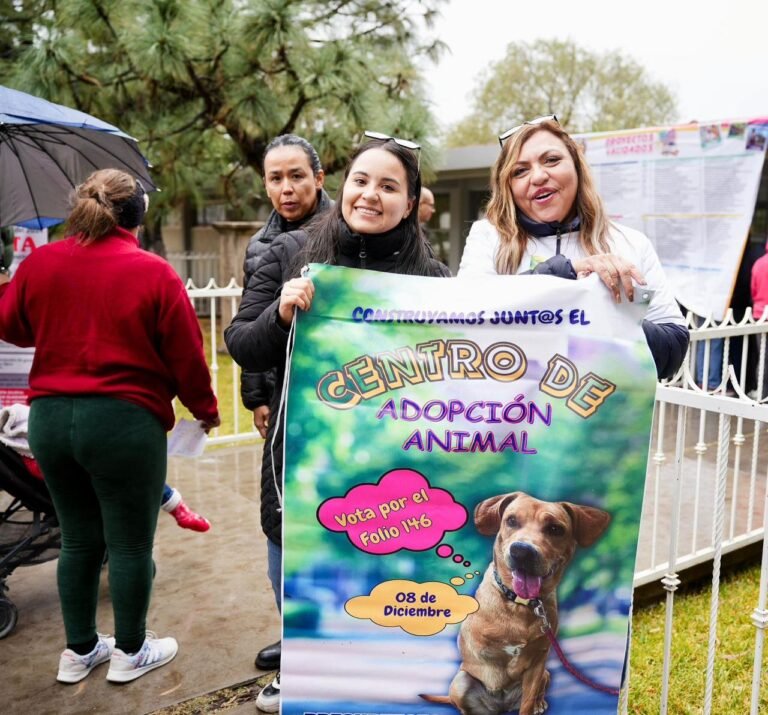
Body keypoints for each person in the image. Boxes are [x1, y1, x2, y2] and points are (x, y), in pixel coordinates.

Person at [225, 135, 450, 712]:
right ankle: (303, 664)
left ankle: (380, 676)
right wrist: (279, 314)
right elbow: (242, 344)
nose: (370, 195)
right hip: (302, 459)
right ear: (343, 185)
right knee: (293, 568)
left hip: (392, 465)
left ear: (410, 200)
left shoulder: (433, 278)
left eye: (388, 186)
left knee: (381, 575)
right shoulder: (291, 254)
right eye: (361, 181)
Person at [0, 169, 220, 684]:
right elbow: (187, 356)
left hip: (50, 422)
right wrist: (205, 410)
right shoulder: (153, 272)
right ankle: (130, 651)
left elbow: (10, 324)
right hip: (124, 423)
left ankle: (78, 652)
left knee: (78, 539)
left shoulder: (43, 262)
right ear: (137, 221)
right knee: (128, 544)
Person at [458, 116, 689, 379]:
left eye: (551, 160)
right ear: (508, 186)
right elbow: (467, 324)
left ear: (577, 167)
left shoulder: (631, 243)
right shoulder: (488, 236)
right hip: (510, 414)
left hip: (600, 416)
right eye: (520, 171)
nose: (538, 176)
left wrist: (602, 310)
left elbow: (672, 352)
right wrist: (563, 273)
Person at [240, 134, 332, 673]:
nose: (286, 188)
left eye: (296, 175)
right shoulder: (261, 246)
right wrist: (257, 396)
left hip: (345, 400)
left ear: (319, 178)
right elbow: (250, 324)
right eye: (275, 178)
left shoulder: (350, 228)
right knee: (281, 517)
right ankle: (293, 638)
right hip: (284, 394)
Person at [751, 240, 768, 397]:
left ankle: (762, 392)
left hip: (760, 316)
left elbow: (753, 289)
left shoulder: (759, 263)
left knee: (762, 356)